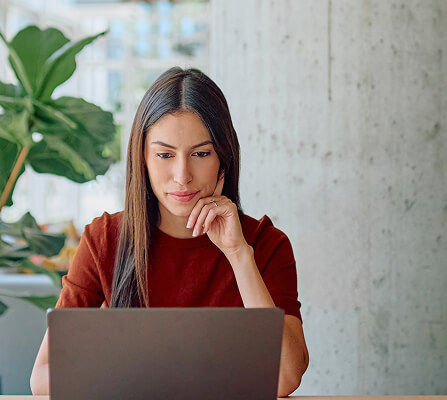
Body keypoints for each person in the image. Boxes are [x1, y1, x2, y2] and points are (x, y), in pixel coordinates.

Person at [29, 67, 309, 397]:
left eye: (201, 154)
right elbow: (43, 378)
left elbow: (285, 377)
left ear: (224, 158)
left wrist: (238, 254)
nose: (182, 175)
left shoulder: (266, 244)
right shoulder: (104, 239)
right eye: (164, 154)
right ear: (142, 160)